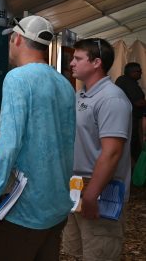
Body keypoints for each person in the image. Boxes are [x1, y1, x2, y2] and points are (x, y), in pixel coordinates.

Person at [0, 15, 76, 261]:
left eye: (11, 40)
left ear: (17, 38)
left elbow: (8, 146)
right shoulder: (64, 84)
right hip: (56, 208)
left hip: (23, 213)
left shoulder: (17, 79)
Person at [62, 38, 132, 261]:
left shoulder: (112, 99)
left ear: (96, 63)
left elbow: (111, 153)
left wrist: (92, 195)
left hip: (99, 194)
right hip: (76, 192)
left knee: (99, 254)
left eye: (78, 58)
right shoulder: (81, 95)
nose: (71, 63)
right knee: (77, 252)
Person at [115, 62, 145, 163]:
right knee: (132, 145)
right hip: (130, 119)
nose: (141, 74)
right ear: (132, 72)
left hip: (124, 119)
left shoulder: (122, 80)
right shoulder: (128, 82)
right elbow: (138, 102)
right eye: (139, 71)